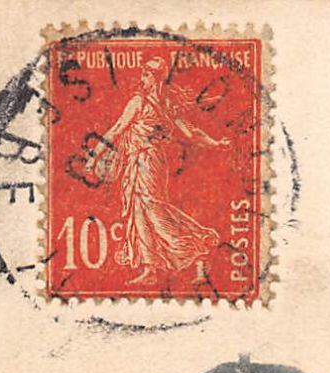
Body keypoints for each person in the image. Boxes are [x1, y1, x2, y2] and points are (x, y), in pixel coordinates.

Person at [88, 57, 229, 287]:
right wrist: (96, 155)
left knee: (153, 210)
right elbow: (117, 130)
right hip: (138, 162)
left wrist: (215, 143)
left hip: (149, 163)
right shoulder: (149, 103)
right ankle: (150, 267)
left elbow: (191, 133)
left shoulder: (156, 104)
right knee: (139, 212)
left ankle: (195, 246)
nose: (142, 79)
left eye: (145, 75)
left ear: (154, 77)